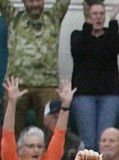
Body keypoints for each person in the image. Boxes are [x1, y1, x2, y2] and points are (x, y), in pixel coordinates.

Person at [0, 0, 71, 137]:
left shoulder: (53, 17)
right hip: (17, 85)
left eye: (38, 0)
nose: (34, 5)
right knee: (11, 134)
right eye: (30, 1)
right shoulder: (14, 17)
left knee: (48, 133)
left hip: (47, 86)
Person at [70, 0, 119, 152]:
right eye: (95, 14)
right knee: (87, 140)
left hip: (109, 95)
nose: (99, 17)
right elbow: (79, 50)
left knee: (105, 139)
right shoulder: (78, 35)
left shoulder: (110, 36)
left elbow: (117, 48)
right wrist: (88, 25)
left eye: (101, 14)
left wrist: (113, 21)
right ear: (88, 15)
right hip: (84, 95)